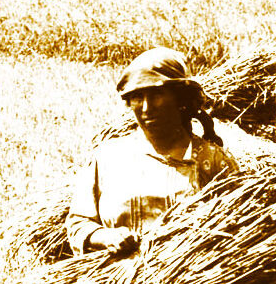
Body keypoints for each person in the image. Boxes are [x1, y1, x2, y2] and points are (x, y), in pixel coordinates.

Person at [66, 47, 239, 255]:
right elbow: (79, 224)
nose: (146, 108)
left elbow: (235, 231)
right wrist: (105, 237)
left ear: (181, 99)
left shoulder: (213, 160)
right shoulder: (108, 158)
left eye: (156, 95)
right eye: (138, 97)